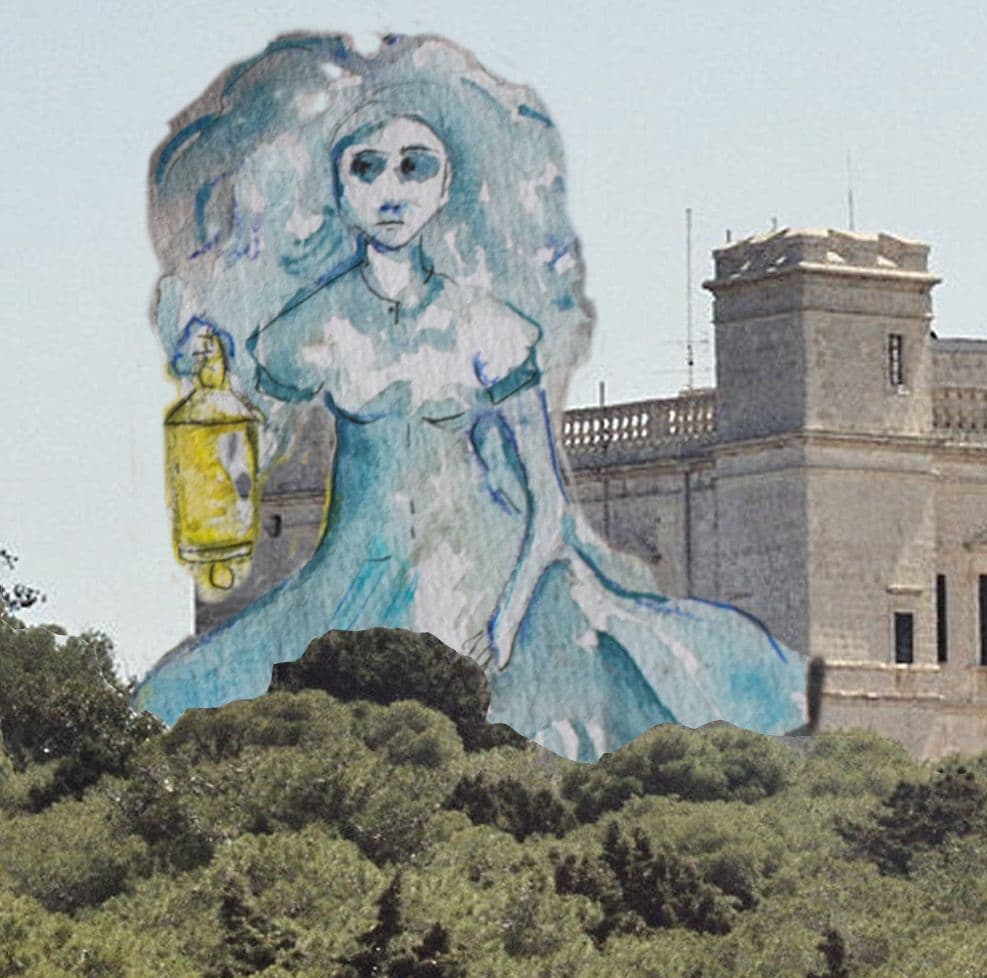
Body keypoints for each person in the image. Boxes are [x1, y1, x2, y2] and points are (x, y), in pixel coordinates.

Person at [136, 36, 808, 759]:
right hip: (348, 587)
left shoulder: (491, 328)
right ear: (339, 190)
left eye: (413, 166)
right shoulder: (310, 327)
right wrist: (209, 382)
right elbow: (246, 444)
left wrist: (509, 618)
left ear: (445, 185)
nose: (391, 189)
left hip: (483, 587)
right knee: (192, 707)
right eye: (366, 168)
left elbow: (546, 501)